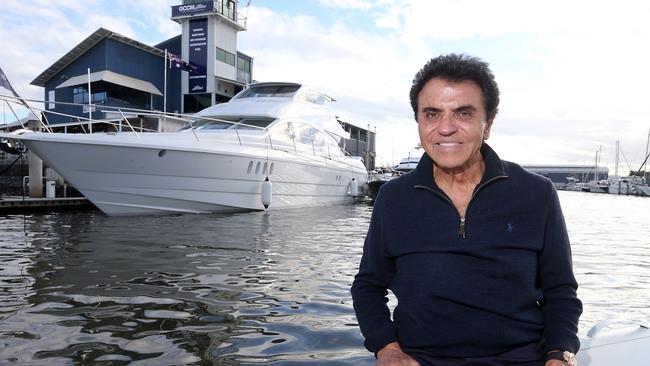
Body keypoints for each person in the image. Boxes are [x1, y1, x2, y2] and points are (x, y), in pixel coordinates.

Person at [351, 54, 582, 366]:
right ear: (419, 121)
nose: (445, 128)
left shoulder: (536, 194)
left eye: (463, 113)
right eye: (432, 114)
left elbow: (560, 291)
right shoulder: (393, 198)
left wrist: (560, 356)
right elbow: (368, 286)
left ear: (487, 125)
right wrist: (387, 350)